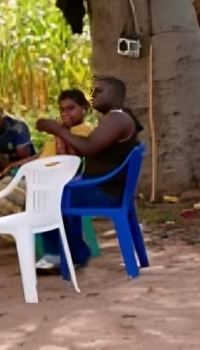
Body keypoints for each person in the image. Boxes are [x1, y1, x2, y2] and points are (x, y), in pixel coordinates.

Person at [0, 89, 95, 264]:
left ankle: (22, 225)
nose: (65, 114)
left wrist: (59, 132)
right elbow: (41, 156)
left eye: (71, 109)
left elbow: (68, 159)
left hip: (47, 181)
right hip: (31, 176)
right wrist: (13, 166)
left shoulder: (82, 131)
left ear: (85, 109)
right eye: (62, 110)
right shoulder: (62, 132)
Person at [35, 76, 143, 271]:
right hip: (106, 187)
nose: (92, 95)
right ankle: (76, 254)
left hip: (105, 192)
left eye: (99, 91)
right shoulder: (116, 118)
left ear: (115, 95)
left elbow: (88, 148)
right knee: (59, 193)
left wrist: (57, 129)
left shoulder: (116, 119)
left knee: (45, 198)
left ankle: (56, 255)